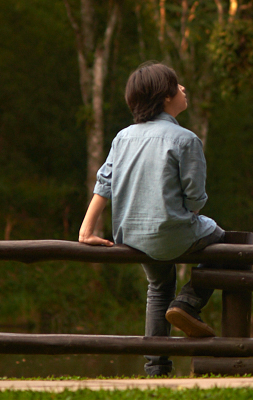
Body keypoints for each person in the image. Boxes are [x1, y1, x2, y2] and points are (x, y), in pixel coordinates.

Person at [78, 61, 224, 377]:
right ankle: (188, 303)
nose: (183, 88)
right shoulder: (186, 139)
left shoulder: (123, 137)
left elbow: (105, 183)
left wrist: (86, 229)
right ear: (165, 98)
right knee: (225, 244)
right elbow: (196, 199)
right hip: (172, 234)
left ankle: (156, 368)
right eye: (177, 85)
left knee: (159, 284)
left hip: (129, 235)